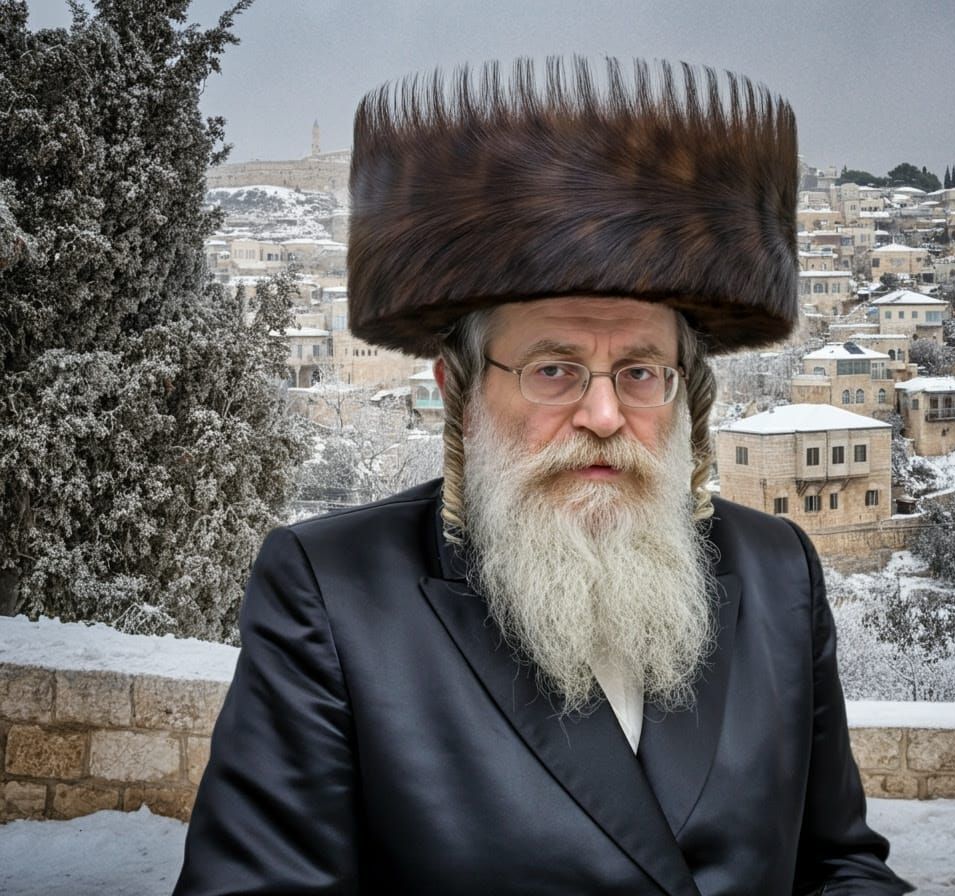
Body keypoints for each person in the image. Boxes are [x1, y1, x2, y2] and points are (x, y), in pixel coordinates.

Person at [175, 57, 911, 895]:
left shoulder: (778, 573)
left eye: (639, 372)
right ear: (458, 391)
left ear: (685, 393)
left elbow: (839, 864)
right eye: (555, 370)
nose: (603, 415)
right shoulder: (333, 595)